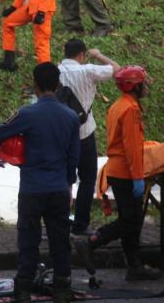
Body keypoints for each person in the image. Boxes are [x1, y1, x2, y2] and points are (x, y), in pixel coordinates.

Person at [0, 63, 80, 303]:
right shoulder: (71, 117)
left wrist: (11, 154)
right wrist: (69, 184)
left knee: (28, 241)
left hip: (32, 189)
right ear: (58, 85)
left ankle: (24, 290)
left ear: (35, 85)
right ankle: (62, 287)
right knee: (60, 240)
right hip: (59, 188)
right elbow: (73, 158)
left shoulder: (27, 114)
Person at [76, 66, 162, 281]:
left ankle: (134, 266)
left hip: (115, 168)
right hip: (126, 171)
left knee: (129, 219)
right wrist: (137, 177)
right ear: (135, 86)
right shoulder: (131, 110)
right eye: (143, 83)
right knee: (131, 221)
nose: (146, 86)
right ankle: (92, 242)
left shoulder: (118, 105)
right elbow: (132, 148)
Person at [58, 39, 120, 235]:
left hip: (61, 136)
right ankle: (80, 224)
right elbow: (116, 69)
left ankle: (59, 223)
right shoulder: (88, 70)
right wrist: (99, 55)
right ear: (82, 55)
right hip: (85, 133)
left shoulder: (55, 71)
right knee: (87, 178)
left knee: (62, 179)